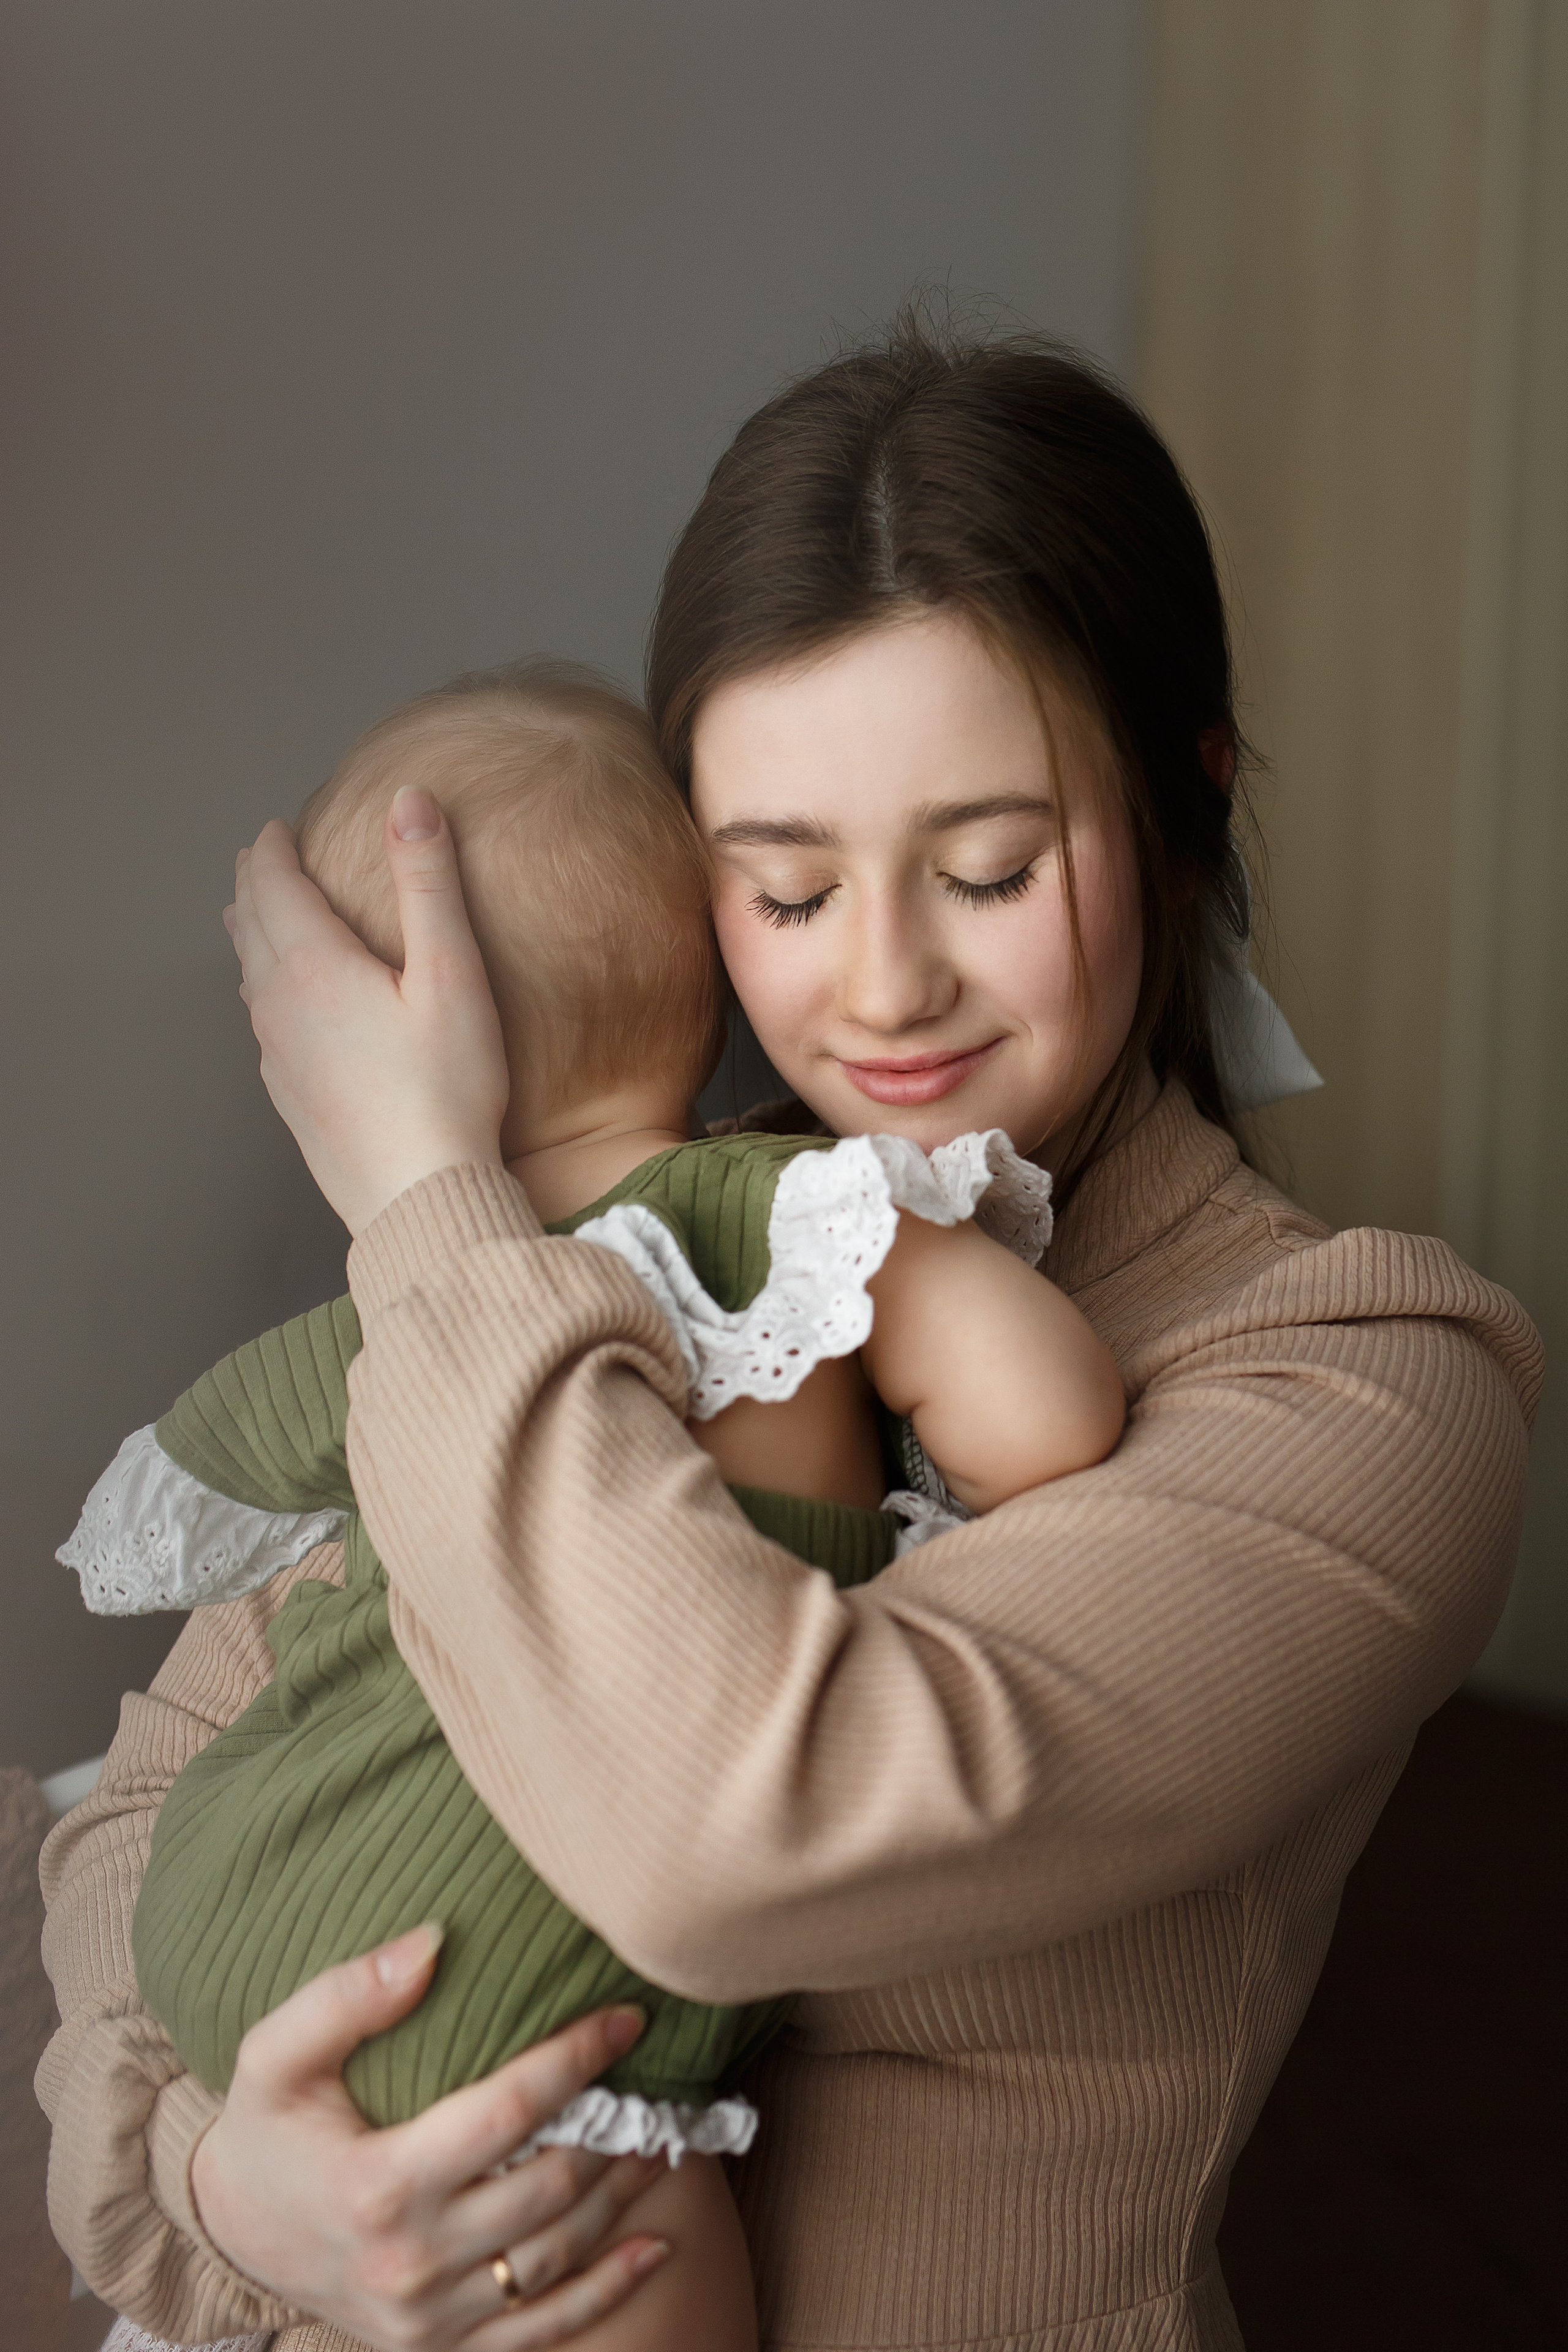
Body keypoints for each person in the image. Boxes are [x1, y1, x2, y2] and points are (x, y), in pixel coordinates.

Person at [39, 322, 1541, 2352]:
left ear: (1187, 805)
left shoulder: (1360, 1381)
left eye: (990, 867)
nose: (887, 987)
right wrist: (236, 2193)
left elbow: (727, 1841)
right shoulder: (616, 1258)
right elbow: (153, 1803)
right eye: (785, 889)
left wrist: (428, 1207)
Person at [56, 657, 1114, 2352]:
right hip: (529, 2004)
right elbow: (1053, 1419)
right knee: (628, 2248)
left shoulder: (398, 1323)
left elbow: (191, 1518)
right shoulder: (790, 1217)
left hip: (262, 1942)